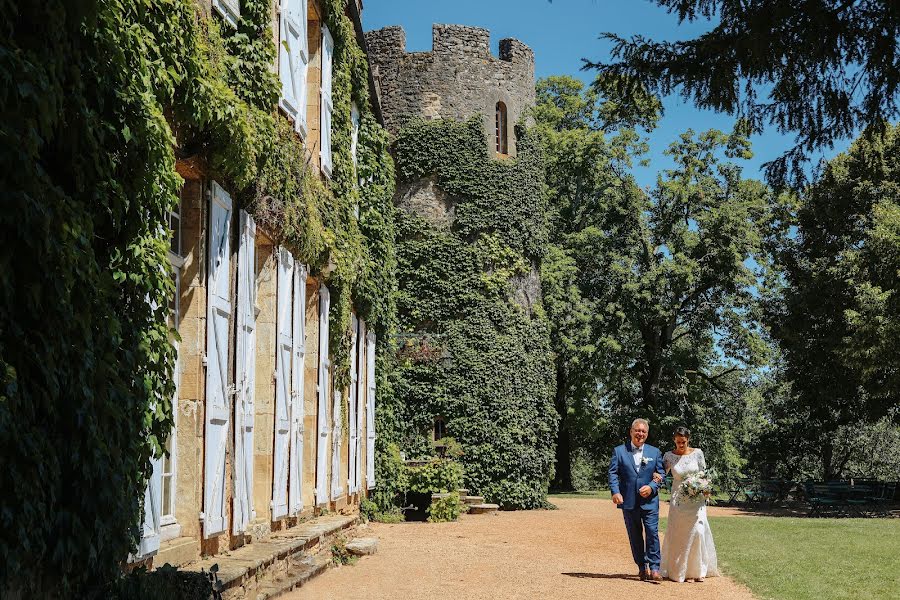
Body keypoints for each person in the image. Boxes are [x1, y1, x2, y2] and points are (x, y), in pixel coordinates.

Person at [659, 426, 719, 582]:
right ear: (674, 440)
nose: (681, 445)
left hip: (696, 499)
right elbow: (660, 474)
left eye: (683, 442)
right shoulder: (669, 456)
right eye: (678, 442)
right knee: (680, 533)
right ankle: (681, 571)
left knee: (698, 531)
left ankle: (696, 571)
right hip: (678, 499)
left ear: (688, 440)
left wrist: (703, 488)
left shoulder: (697, 453)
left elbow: (704, 474)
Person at [608, 418, 666, 582]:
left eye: (644, 431)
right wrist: (615, 492)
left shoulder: (654, 452)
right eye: (637, 430)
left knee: (652, 533)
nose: (640, 434)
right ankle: (642, 567)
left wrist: (652, 487)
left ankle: (655, 568)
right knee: (635, 535)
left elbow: (661, 475)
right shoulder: (619, 451)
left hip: (650, 502)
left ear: (647, 434)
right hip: (628, 501)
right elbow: (613, 473)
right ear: (631, 432)